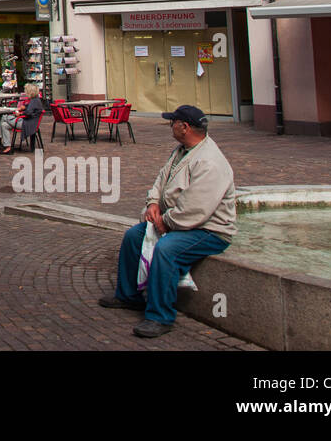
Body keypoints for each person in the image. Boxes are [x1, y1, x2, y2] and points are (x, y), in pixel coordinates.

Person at [101, 105, 236, 338]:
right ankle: (129, 295)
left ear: (184, 127)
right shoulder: (181, 151)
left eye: (172, 122)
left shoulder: (209, 162)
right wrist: (153, 203)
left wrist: (166, 222)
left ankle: (160, 316)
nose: (169, 125)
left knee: (167, 250)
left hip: (209, 230)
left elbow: (196, 208)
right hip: (180, 221)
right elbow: (161, 180)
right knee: (134, 236)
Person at [0, 83, 44, 154]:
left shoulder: (34, 101)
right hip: (29, 122)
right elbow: (29, 108)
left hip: (27, 124)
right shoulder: (36, 100)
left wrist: (20, 114)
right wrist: (24, 107)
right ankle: (7, 146)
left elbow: (28, 112)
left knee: (4, 116)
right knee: (4, 125)